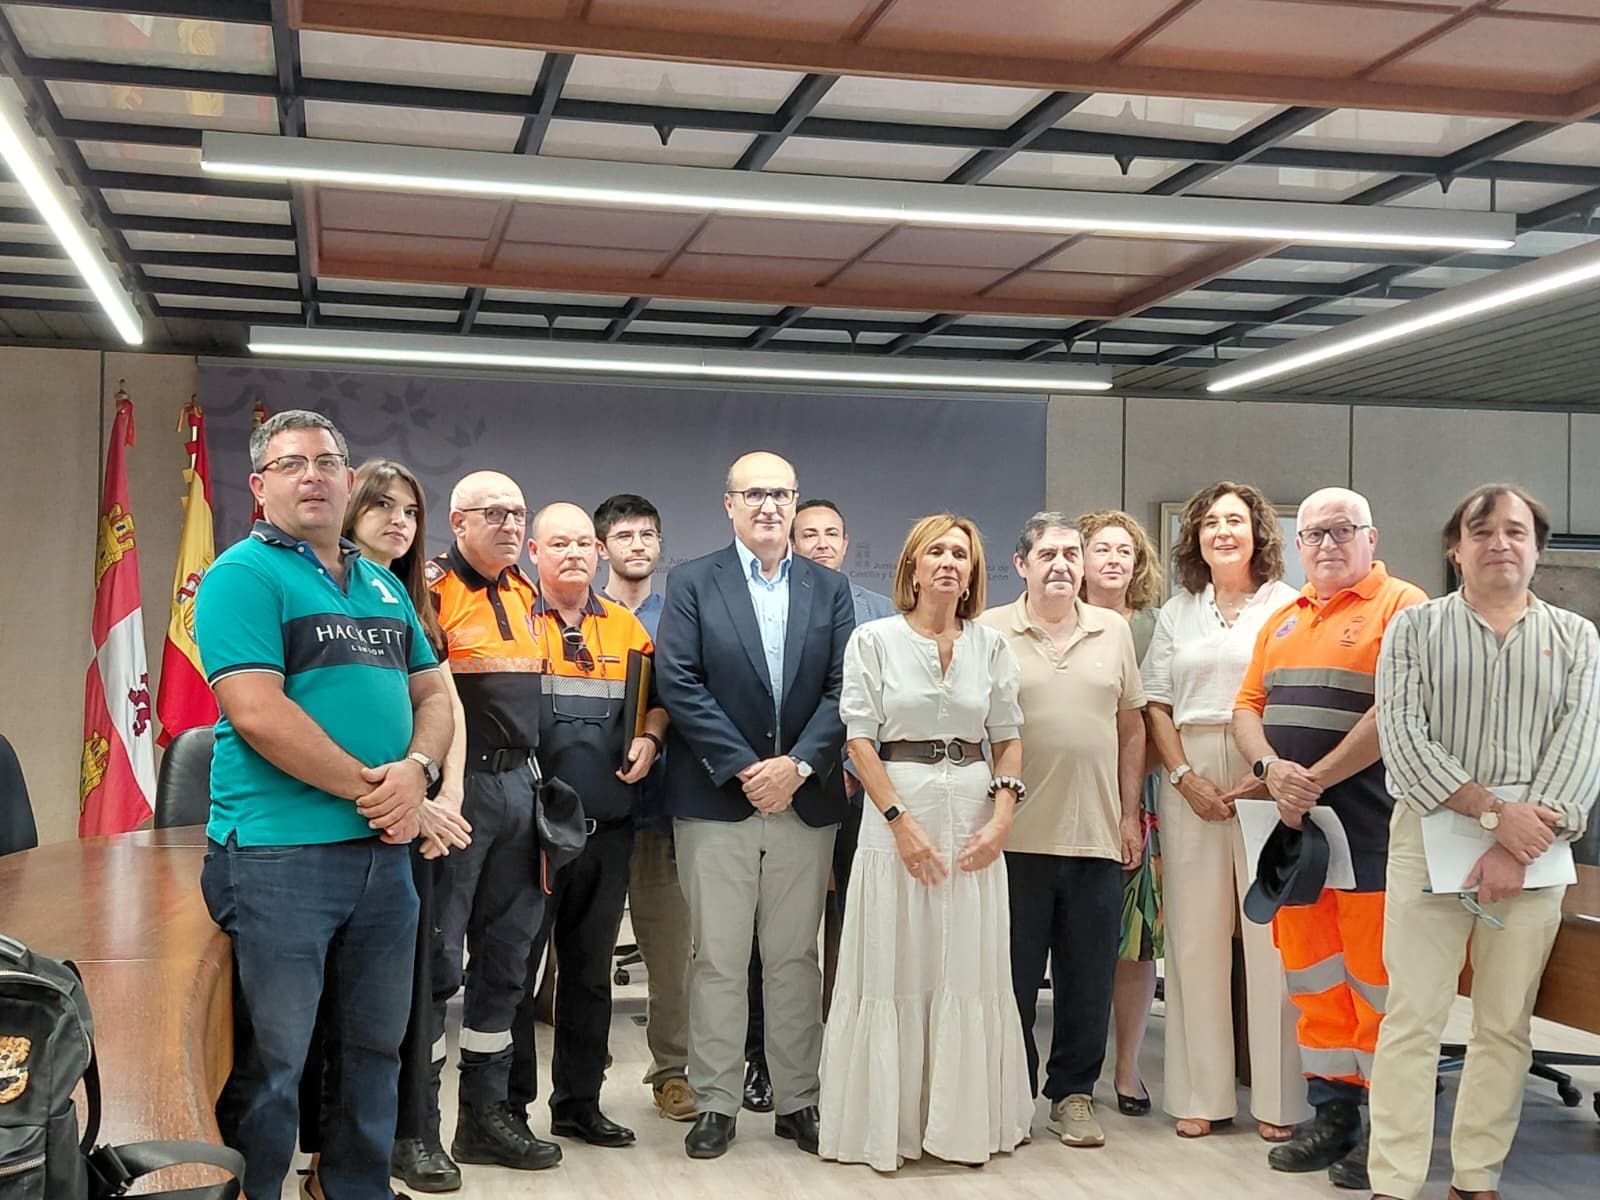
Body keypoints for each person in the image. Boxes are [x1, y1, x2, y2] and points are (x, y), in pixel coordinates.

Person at [195, 411, 453, 1200]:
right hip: (279, 858)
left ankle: (351, 1187)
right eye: (291, 463)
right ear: (260, 486)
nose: (312, 475)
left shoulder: (379, 582)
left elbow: (433, 691)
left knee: (378, 1048)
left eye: (327, 462)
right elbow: (257, 713)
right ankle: (255, 1190)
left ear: (348, 481)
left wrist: (417, 769)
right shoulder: (241, 575)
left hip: (383, 857)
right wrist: (382, 792)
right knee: (277, 1061)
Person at [1369, 484, 1600, 1200]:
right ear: (1455, 547)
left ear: (1537, 547)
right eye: (1482, 530)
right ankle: (1395, 1181)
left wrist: (1514, 840)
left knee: (1504, 1026)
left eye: (1516, 531)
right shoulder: (1414, 630)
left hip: (1537, 854)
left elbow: (1580, 749)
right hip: (1429, 842)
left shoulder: (1578, 638)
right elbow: (1403, 740)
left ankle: (1476, 1180)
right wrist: (1494, 815)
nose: (1500, 542)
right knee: (1413, 1019)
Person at [654, 451, 854, 1161]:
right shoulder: (691, 582)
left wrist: (798, 766)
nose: (769, 506)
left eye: (781, 493)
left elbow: (843, 689)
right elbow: (678, 682)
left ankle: (799, 1099)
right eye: (754, 493)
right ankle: (716, 1101)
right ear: (728, 504)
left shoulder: (830, 588)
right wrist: (745, 769)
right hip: (716, 800)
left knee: (796, 958)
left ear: (795, 502)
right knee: (717, 958)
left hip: (805, 800)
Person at [818, 513, 1032, 1172]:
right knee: (895, 963)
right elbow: (858, 737)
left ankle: (965, 1124)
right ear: (912, 564)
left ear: (972, 572)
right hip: (897, 818)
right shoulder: (873, 639)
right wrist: (899, 822)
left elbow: (1009, 735)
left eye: (960, 555)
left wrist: (1001, 819)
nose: (949, 563)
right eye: (936, 551)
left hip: (973, 813)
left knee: (966, 965)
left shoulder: (991, 646)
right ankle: (888, 1125)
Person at [1233, 486, 1426, 1190]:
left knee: (1377, 983)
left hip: (1373, 830)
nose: (1326, 544)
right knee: (1313, 978)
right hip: (1299, 833)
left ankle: (1387, 1131)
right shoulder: (1283, 617)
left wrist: (1309, 775)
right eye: (1312, 534)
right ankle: (1334, 1114)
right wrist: (1267, 769)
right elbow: (1247, 704)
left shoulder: (1403, 607)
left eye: (1342, 530)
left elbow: (1394, 710)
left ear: (1370, 538)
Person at [298, 461, 475, 1199]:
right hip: (342, 826)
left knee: (407, 1001)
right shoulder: (318, 587)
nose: (398, 521)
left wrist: (444, 793)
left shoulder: (408, 597)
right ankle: (323, 1161)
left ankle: (401, 1140)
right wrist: (412, 798)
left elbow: (445, 705)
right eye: (382, 507)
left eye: (409, 510)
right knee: (335, 1014)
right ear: (348, 511)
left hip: (418, 820)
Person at [1140, 482, 1306, 1142]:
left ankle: (1280, 1100)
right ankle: (1199, 1093)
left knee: (1273, 945)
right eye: (1210, 523)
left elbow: (1296, 697)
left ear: (1260, 532)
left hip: (1267, 770)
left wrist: (1268, 774)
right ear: (1195, 539)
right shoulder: (1179, 612)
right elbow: (1155, 702)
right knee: (1194, 939)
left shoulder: (1291, 607)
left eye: (1235, 521)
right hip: (1194, 775)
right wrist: (1182, 777)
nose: (1223, 532)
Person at [978, 512, 1147, 1149]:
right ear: (1020, 564)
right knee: (1011, 980)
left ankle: (1073, 1095)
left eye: (1072, 554)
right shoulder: (991, 630)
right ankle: (1010, 1095)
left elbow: (1131, 728)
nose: (1063, 565)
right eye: (1048, 554)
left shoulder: (1114, 631)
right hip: (1013, 840)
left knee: (1086, 981)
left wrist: (1130, 814)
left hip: (1097, 837)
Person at [507, 503, 667, 1148]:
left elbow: (657, 704)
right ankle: (507, 1111)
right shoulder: (514, 622)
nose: (572, 553)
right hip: (528, 834)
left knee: (589, 975)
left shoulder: (627, 626)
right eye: (558, 543)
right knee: (515, 977)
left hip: (608, 830)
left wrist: (652, 740)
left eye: (582, 543)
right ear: (533, 554)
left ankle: (578, 1105)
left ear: (598, 554)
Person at [737, 498, 897, 1112]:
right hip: (789, 788)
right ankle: (763, 1060)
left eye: (833, 533)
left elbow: (885, 708)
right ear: (791, 541)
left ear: (848, 542)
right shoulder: (768, 608)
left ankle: (851, 1059)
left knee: (861, 925)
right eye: (810, 533)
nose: (822, 542)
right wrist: (804, 767)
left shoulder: (881, 614)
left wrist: (859, 770)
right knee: (773, 936)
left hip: (865, 791)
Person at [425, 471, 563, 1172]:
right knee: (437, 965)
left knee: (508, 964)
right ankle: (416, 1124)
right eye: (494, 513)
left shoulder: (524, 590)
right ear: (457, 522)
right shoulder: (429, 587)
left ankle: (486, 1118)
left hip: (521, 789)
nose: (511, 525)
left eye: (518, 512)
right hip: (460, 790)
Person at [594, 492, 695, 1123]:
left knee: (672, 952)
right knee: (579, 955)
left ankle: (672, 1071)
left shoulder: (680, 617)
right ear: (603, 545)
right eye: (625, 535)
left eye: (648, 535)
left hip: (663, 811)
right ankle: (580, 1078)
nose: (638, 545)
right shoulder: (579, 614)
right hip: (589, 816)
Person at [1076, 508, 1165, 1118]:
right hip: (1064, 794)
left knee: (1134, 942)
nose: (1113, 559)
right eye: (1101, 548)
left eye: (1125, 551)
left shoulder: (1160, 629)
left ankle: (1127, 1069)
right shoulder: (1051, 619)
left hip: (1142, 797)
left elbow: (1161, 717)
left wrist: (1132, 794)